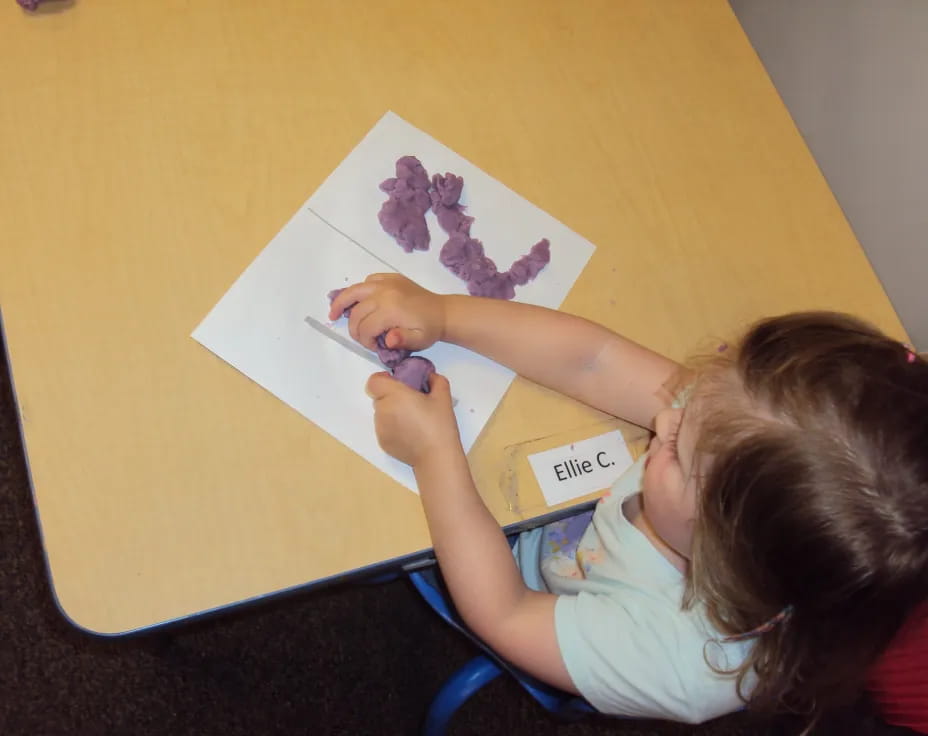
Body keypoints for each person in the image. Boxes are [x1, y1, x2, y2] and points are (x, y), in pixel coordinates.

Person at [329, 274, 928, 727]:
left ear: (721, 554)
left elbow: (505, 613)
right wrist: (443, 313)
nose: (665, 416)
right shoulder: (746, 437)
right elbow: (596, 361)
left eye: (673, 447)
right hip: (559, 519)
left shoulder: (676, 661)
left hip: (520, 582)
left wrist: (435, 456)